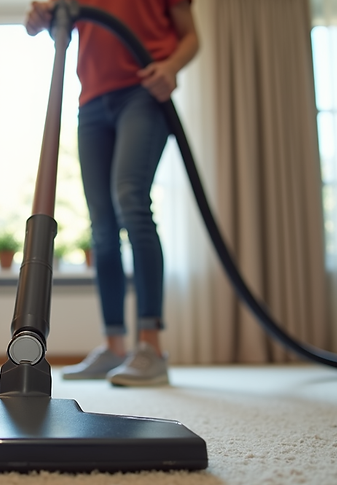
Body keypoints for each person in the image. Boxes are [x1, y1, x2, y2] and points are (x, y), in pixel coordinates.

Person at [25, 0, 199, 386]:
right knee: (101, 226)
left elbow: (191, 37)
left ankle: (151, 347)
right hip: (91, 104)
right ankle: (114, 346)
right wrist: (37, 16)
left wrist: (170, 67)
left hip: (142, 92)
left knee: (131, 202)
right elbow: (48, 24)